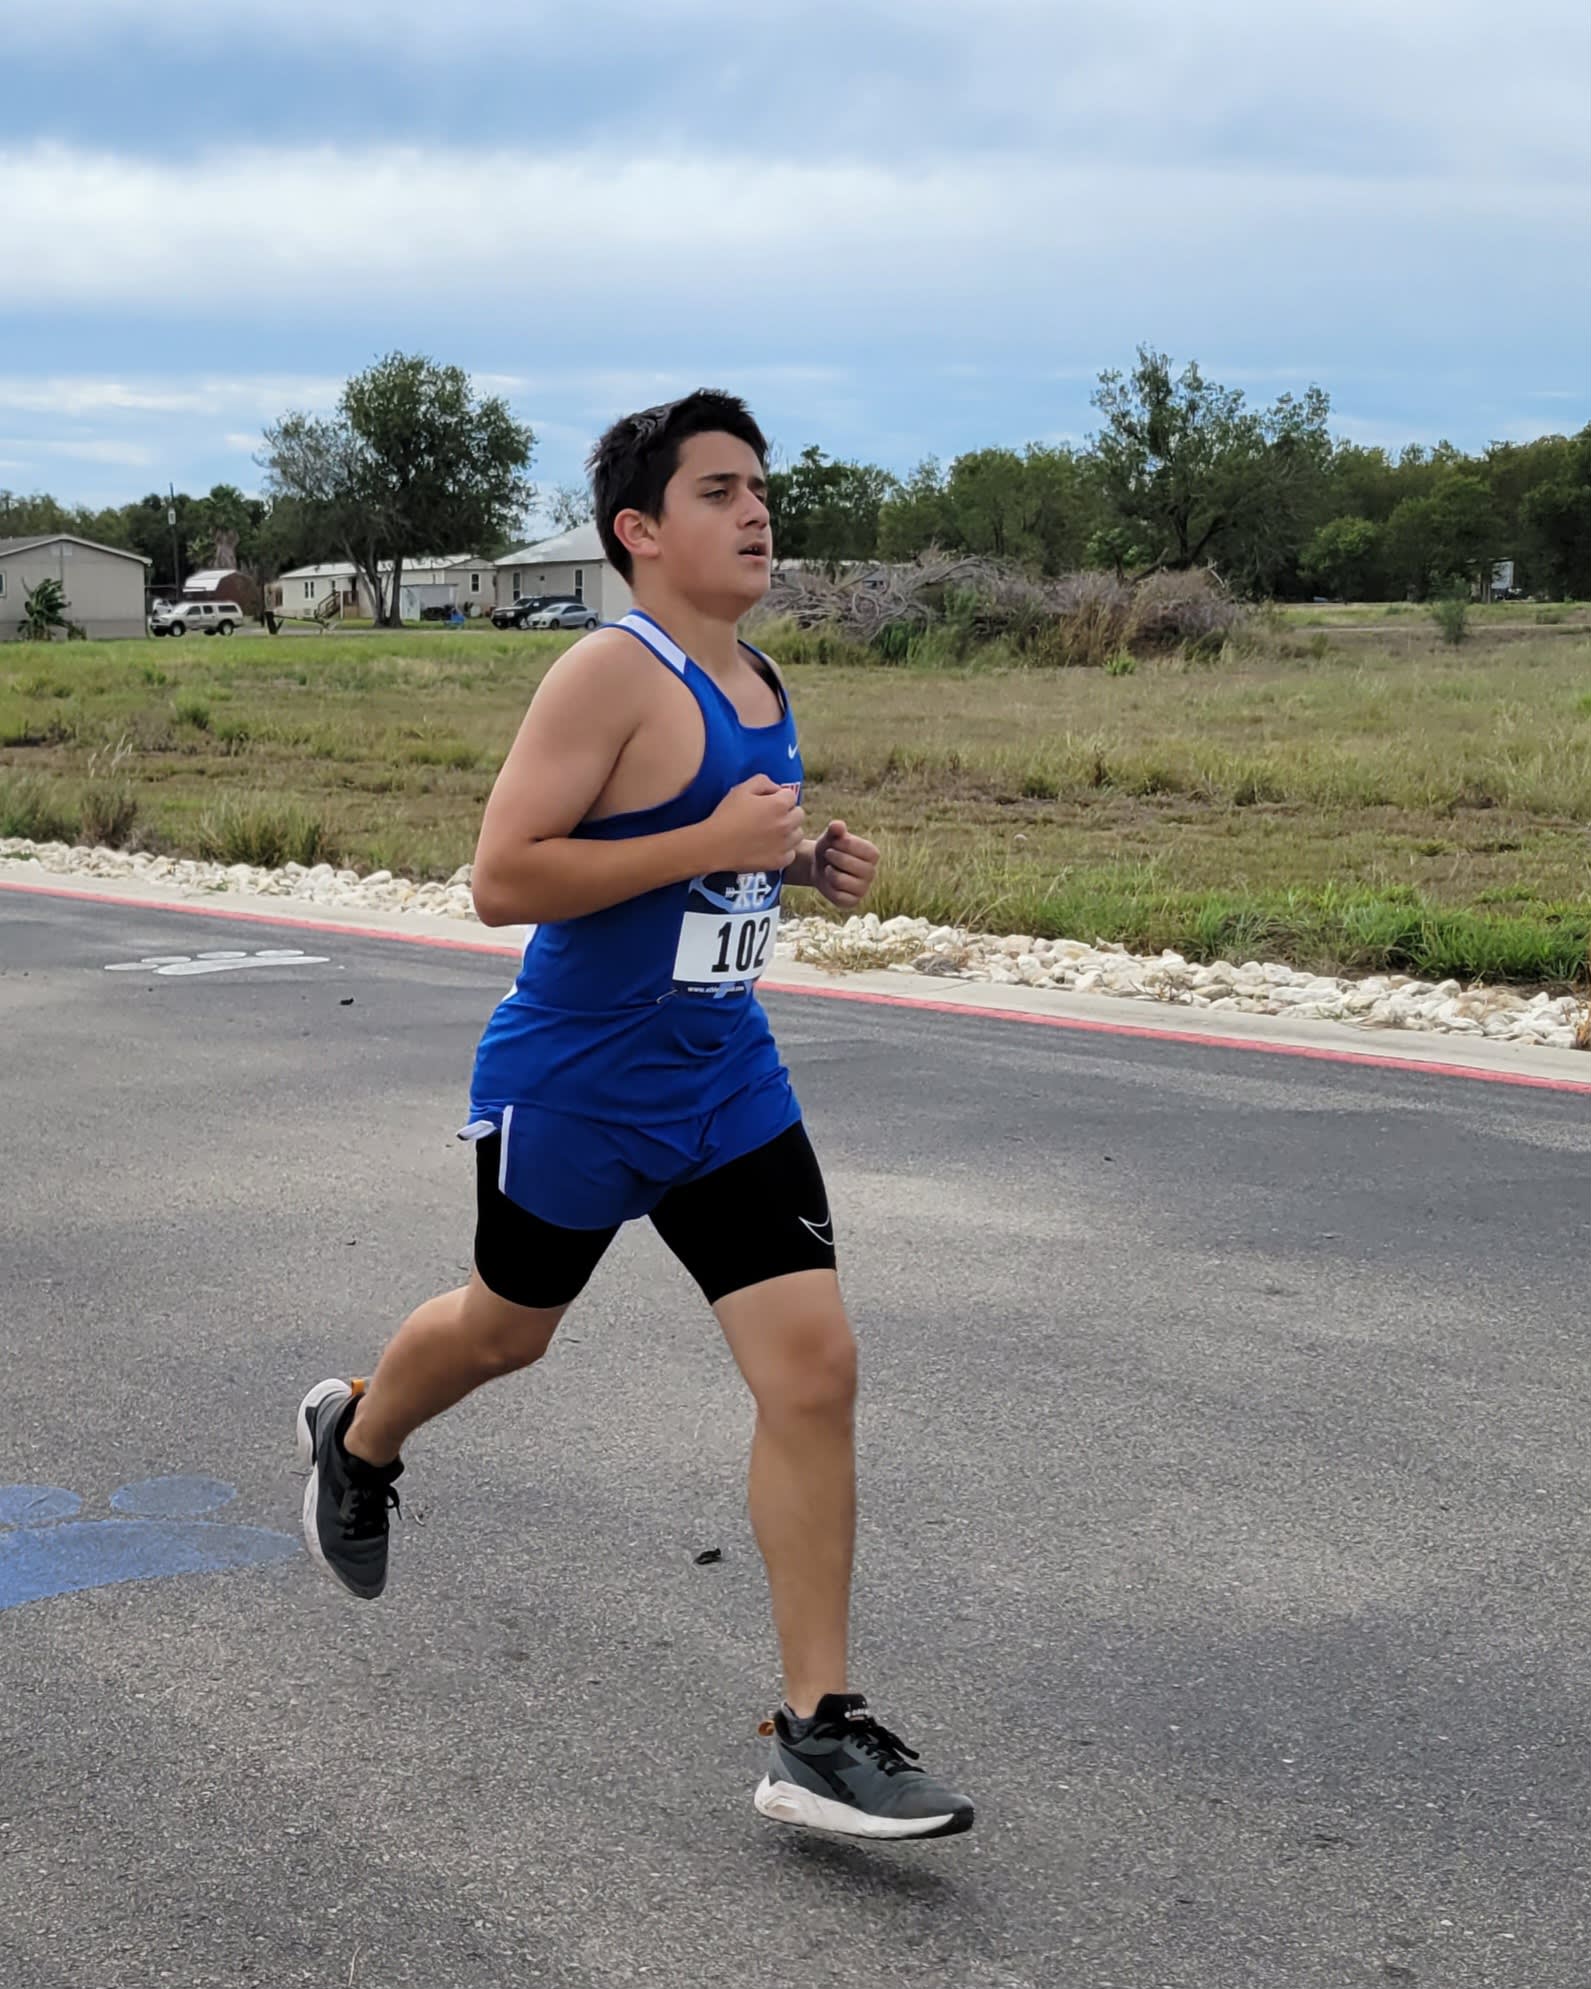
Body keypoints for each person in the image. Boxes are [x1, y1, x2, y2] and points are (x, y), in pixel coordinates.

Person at [296, 390, 973, 1842]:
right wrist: (711, 838)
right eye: (718, 491)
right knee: (506, 1330)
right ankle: (359, 1436)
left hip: (726, 1084)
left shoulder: (762, 679)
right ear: (639, 531)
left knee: (816, 1371)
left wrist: (796, 866)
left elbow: (703, 872)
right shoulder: (606, 671)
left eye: (760, 487)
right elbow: (504, 878)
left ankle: (820, 1729)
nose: (756, 511)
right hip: (578, 1086)